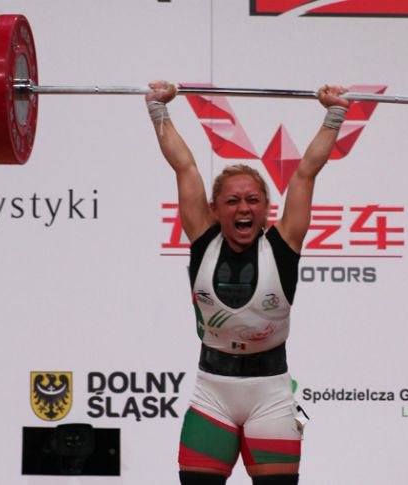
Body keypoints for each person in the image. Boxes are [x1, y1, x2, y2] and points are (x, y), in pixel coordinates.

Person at [146, 80, 350, 485]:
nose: (244, 208)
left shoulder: (284, 243)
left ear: (265, 209)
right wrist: (158, 110)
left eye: (253, 200)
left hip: (271, 396)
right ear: (215, 209)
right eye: (234, 201)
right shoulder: (203, 238)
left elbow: (306, 172)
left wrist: (335, 114)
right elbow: (184, 165)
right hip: (212, 394)